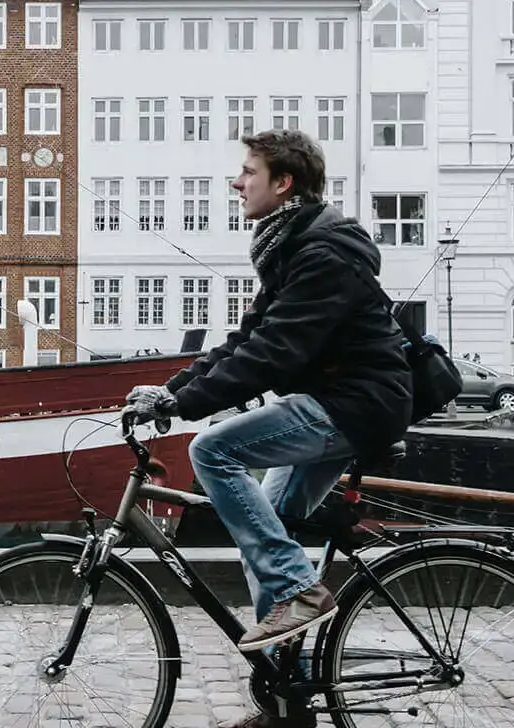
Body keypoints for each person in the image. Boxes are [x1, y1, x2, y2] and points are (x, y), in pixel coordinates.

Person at [121, 129, 413, 728]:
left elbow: (274, 353)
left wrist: (184, 411)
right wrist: (173, 389)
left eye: (247, 171)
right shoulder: (294, 245)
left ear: (282, 183)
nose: (236, 182)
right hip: (341, 400)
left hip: (356, 404)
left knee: (214, 451)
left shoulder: (323, 253)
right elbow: (245, 340)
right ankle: (288, 702)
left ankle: (298, 590)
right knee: (266, 529)